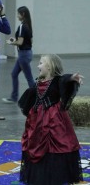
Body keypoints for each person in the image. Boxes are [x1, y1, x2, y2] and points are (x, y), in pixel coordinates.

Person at [19, 54, 84, 185]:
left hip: (54, 120)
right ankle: (40, 175)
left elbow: (64, 79)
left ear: (50, 67)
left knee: (56, 146)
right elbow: (32, 96)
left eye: (41, 63)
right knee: (36, 145)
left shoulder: (57, 81)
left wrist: (72, 77)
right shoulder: (38, 81)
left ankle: (54, 175)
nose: (38, 66)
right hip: (37, 121)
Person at [2, 6, 35, 104]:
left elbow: (20, 42)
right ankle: (14, 97)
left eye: (18, 14)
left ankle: (37, 97)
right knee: (14, 74)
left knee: (29, 78)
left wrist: (11, 42)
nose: (17, 16)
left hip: (23, 55)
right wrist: (15, 40)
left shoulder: (22, 26)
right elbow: (30, 41)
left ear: (23, 14)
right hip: (27, 54)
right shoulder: (28, 25)